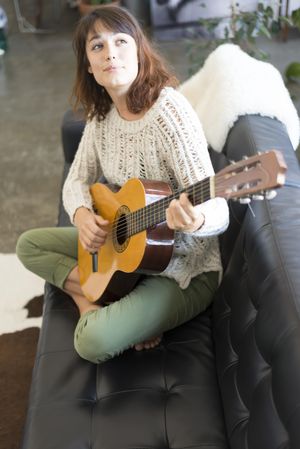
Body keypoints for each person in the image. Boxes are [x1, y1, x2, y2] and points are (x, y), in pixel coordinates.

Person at [16, 5, 229, 364]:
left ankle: (109, 305)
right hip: (126, 251)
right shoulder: (102, 117)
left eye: (120, 41)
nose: (110, 52)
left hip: (182, 269)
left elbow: (218, 206)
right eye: (97, 46)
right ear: (89, 65)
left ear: (139, 50)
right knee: (29, 245)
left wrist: (196, 220)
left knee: (92, 340)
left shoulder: (170, 112)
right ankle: (91, 296)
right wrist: (83, 215)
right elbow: (76, 180)